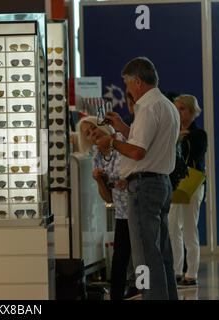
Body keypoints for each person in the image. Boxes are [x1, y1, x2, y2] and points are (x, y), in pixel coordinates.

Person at [96, 57, 180, 300]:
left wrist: (111, 141)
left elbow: (137, 151)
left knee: (144, 255)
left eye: (128, 84)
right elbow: (145, 143)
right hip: (161, 183)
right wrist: (122, 127)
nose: (128, 90)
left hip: (143, 186)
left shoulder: (146, 107)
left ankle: (150, 296)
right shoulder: (166, 105)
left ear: (138, 81)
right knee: (161, 252)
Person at [76, 116, 132, 300]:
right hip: (122, 212)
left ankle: (145, 290)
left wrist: (128, 180)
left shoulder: (121, 140)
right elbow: (107, 198)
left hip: (139, 207)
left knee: (142, 257)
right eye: (88, 134)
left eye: (94, 128)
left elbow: (140, 163)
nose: (93, 133)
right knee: (119, 259)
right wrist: (99, 181)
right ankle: (117, 296)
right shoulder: (97, 157)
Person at [168, 94, 207, 287]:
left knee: (190, 229)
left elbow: (195, 156)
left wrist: (183, 140)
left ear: (191, 111)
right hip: (176, 183)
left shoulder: (199, 134)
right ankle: (176, 270)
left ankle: (191, 273)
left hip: (193, 183)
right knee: (173, 227)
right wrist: (176, 139)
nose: (178, 111)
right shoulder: (172, 133)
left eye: (182, 108)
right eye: (176, 108)